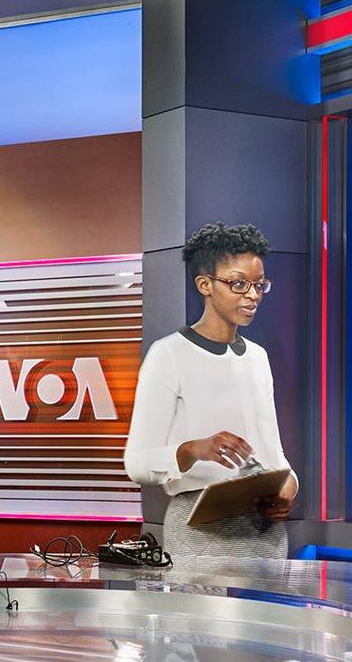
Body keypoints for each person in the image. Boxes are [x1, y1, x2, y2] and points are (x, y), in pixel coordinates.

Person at [124, 223, 298, 559]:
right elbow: (137, 463)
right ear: (205, 284)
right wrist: (195, 449)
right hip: (199, 533)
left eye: (259, 285)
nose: (252, 295)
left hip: (266, 537)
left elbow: (275, 457)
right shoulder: (169, 354)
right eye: (239, 284)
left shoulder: (258, 357)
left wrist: (287, 489)